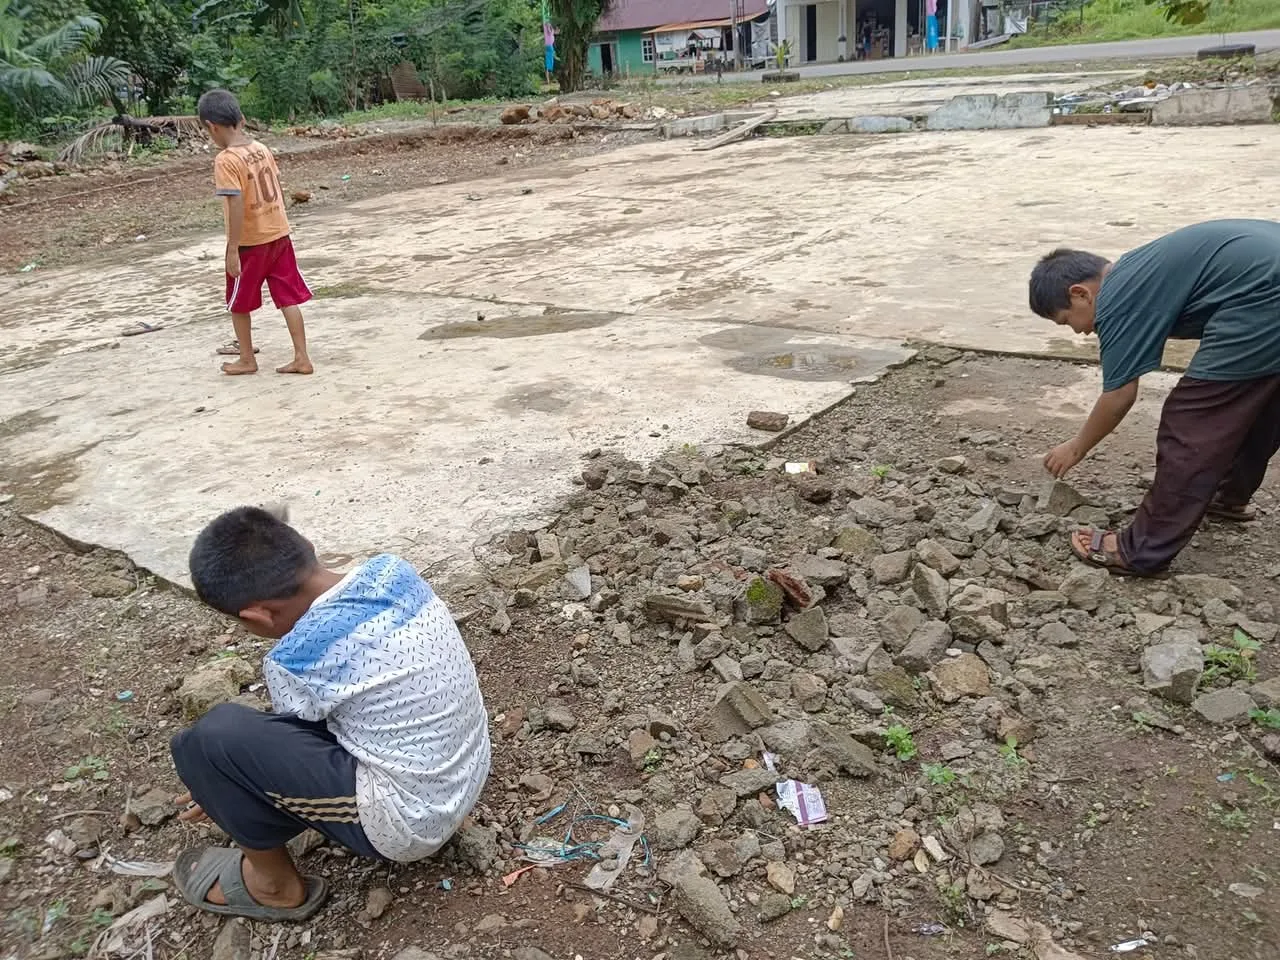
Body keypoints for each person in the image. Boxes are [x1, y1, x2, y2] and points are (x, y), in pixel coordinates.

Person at [170, 506, 491, 920]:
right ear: (305, 545)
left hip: (409, 824)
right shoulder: (394, 572)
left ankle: (273, 887)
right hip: (468, 772)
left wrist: (222, 783)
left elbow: (299, 740)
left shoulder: (295, 659)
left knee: (205, 742)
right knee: (233, 746)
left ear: (258, 615)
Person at [1028, 219, 1280, 577]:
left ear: (1080, 294)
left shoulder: (1116, 298)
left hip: (1266, 293)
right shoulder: (1138, 270)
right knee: (1262, 400)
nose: (1080, 332)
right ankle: (1227, 495)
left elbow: (1119, 395)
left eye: (1067, 321)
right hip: (1267, 277)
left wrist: (1076, 447)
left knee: (1191, 420)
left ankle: (1140, 551)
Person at [197, 89, 314, 376]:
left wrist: (232, 248)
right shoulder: (261, 148)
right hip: (279, 234)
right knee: (288, 298)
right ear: (241, 119)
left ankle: (247, 358)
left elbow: (235, 202)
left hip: (250, 242)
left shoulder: (226, 160)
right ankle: (302, 357)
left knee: (238, 303)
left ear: (212, 127)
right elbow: (277, 188)